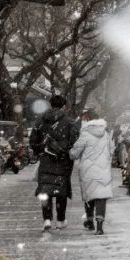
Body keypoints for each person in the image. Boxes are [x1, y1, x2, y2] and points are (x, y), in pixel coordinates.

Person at [29, 94, 79, 231]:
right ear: (64, 106)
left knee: (45, 190)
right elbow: (74, 141)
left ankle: (46, 219)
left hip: (46, 160)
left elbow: (33, 141)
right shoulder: (69, 122)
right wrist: (65, 151)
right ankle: (61, 220)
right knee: (60, 191)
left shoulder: (40, 121)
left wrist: (41, 151)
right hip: (62, 161)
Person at [69, 116, 113, 235]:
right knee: (101, 196)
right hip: (103, 169)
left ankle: (90, 221)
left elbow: (74, 153)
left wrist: (70, 152)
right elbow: (112, 150)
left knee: (89, 194)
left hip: (88, 169)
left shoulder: (85, 135)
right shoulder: (106, 135)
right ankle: (100, 225)